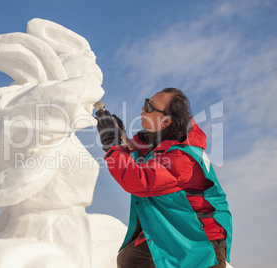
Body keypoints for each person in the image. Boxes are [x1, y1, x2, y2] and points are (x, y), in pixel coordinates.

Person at [95, 88, 232, 268]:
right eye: (146, 102)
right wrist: (120, 139)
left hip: (201, 240)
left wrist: (113, 147)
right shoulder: (160, 143)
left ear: (166, 121)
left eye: (149, 107)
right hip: (177, 231)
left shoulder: (183, 157)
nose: (142, 109)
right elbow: (141, 159)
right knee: (131, 259)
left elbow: (140, 179)